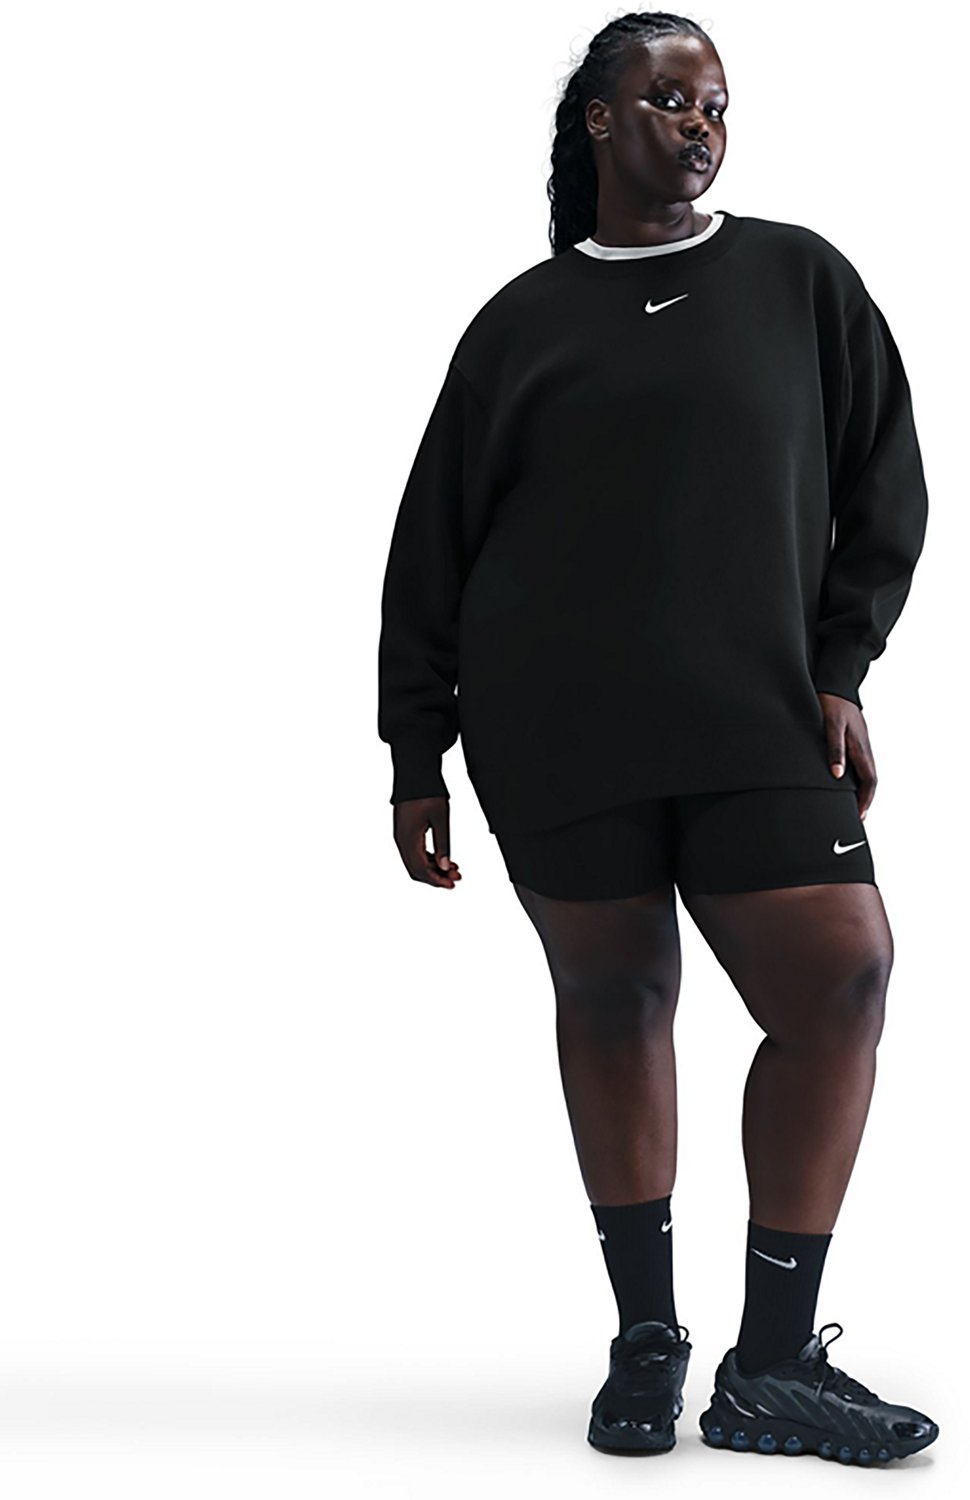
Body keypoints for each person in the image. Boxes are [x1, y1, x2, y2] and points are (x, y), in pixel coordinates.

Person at [376, 11, 936, 1467]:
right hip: (553, 723)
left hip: (756, 712)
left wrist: (840, 669)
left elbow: (885, 480)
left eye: (716, 105)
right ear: (599, 122)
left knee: (842, 975)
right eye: (671, 99)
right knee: (615, 1002)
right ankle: (646, 1342)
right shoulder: (522, 323)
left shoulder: (798, 278)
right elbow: (435, 543)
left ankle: (770, 1362)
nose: (700, 124)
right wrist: (414, 747)